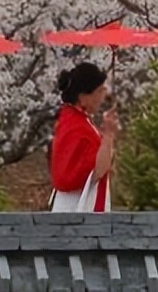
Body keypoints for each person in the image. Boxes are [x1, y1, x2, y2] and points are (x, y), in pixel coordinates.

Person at [49, 62, 119, 213]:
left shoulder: (72, 121)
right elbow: (96, 171)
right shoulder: (78, 128)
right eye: (99, 91)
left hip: (70, 204)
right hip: (78, 206)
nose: (103, 96)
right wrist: (108, 135)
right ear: (83, 97)